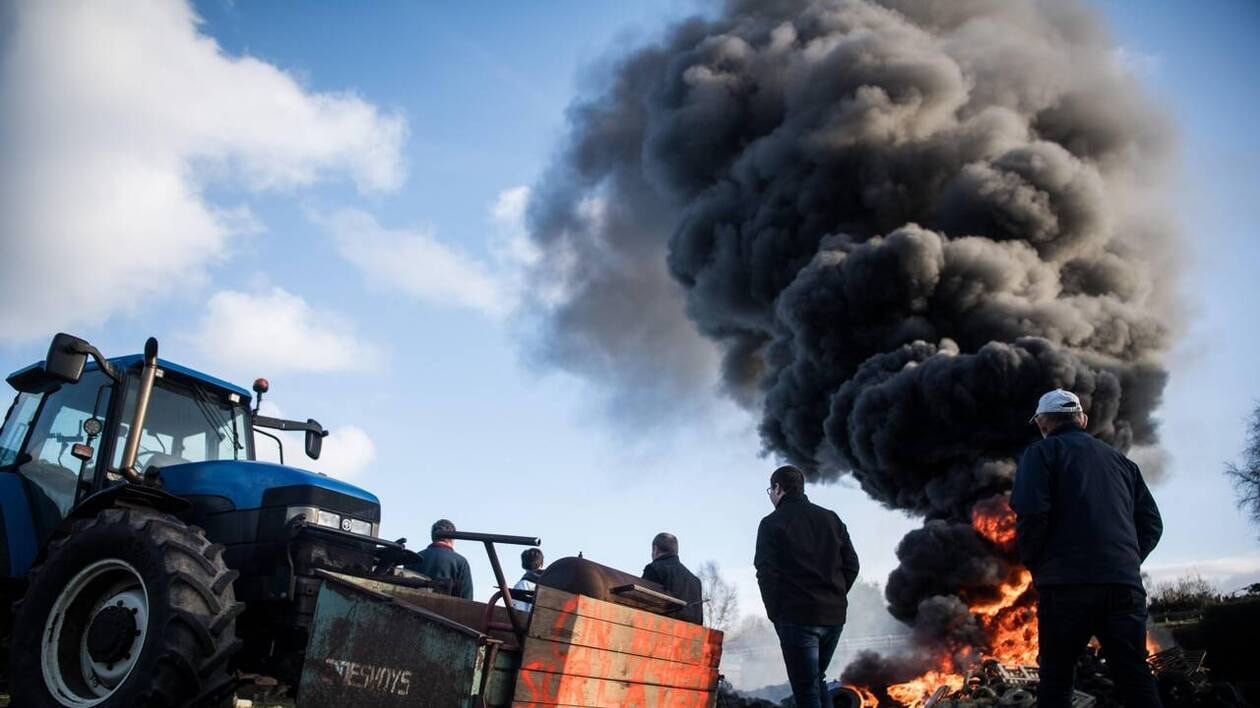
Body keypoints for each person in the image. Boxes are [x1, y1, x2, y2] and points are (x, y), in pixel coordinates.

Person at [1011, 388, 1164, 708]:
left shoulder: (1041, 454)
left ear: (1042, 423)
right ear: (1082, 419)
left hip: (1066, 587)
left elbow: (1032, 514)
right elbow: (1151, 524)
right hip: (1123, 588)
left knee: (1056, 679)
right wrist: (1127, 562)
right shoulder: (1123, 464)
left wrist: (1037, 565)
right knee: (1135, 676)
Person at [755, 464, 859, 708]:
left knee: (806, 692)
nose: (771, 495)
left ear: (778, 488)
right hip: (833, 618)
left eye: (771, 489)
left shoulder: (771, 523)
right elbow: (852, 565)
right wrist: (835, 596)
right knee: (816, 680)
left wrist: (775, 614)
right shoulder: (831, 518)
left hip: (796, 618)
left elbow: (766, 573)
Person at [642, 532, 704, 625]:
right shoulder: (696, 581)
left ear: (655, 549)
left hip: (659, 630)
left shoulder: (654, 569)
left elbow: (642, 602)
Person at [405, 519, 473, 599]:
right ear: (453, 538)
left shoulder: (412, 558)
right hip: (446, 610)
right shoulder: (461, 562)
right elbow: (467, 598)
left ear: (432, 537)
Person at [512, 547, 545, 612]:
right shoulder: (549, 582)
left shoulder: (522, 584)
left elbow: (519, 610)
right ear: (541, 564)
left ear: (523, 564)